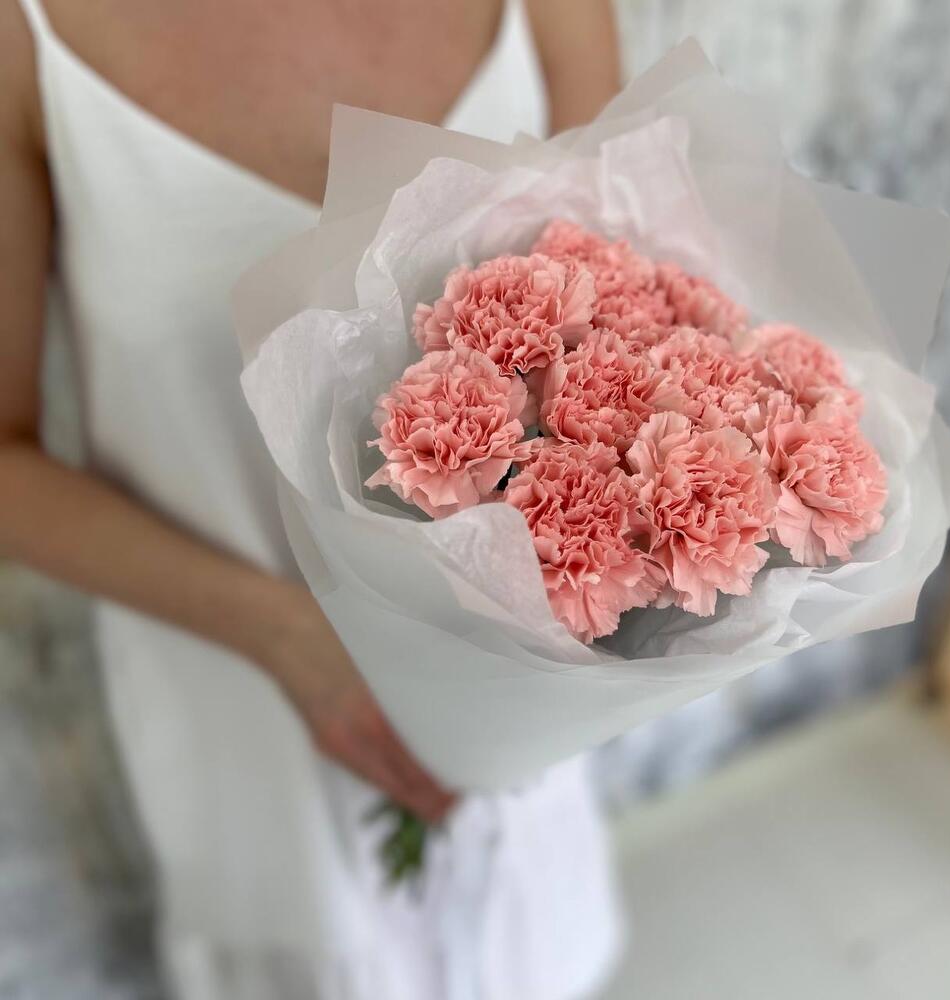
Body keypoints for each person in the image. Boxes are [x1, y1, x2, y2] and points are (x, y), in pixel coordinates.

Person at [0, 1, 623, 997]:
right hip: (244, 705)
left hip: (512, 687)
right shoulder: (26, 41)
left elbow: (628, 317)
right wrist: (289, 638)